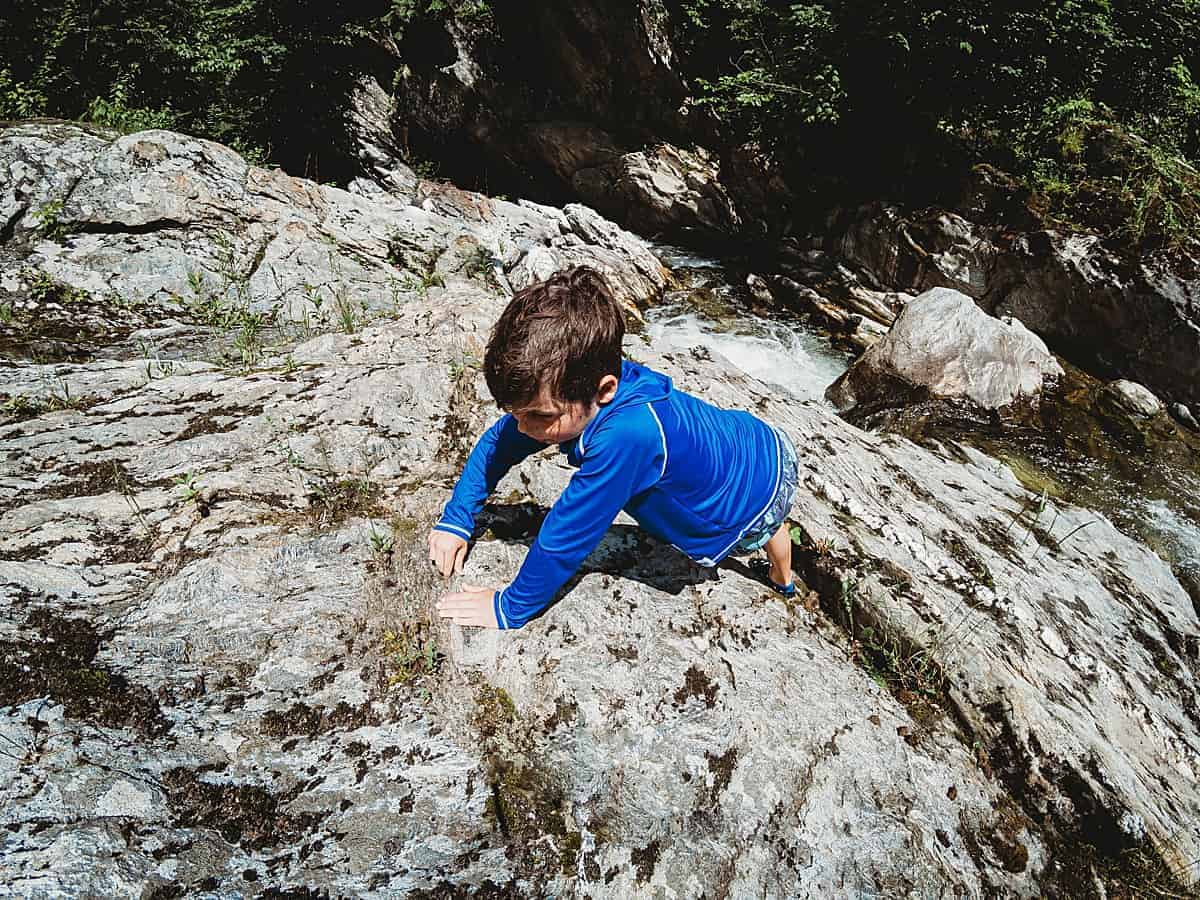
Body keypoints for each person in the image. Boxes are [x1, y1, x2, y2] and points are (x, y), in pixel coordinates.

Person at [430, 266, 800, 630]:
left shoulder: (628, 434)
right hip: (746, 438)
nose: (523, 428)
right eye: (516, 413)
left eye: (540, 417)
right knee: (772, 531)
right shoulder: (579, 376)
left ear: (605, 390)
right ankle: (783, 576)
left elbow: (568, 532)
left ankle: (783, 582)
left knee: (768, 531)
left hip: (761, 482)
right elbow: (500, 443)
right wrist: (458, 517)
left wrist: (509, 607)